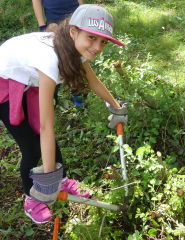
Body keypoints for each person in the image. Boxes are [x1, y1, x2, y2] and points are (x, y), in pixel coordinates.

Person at [0, 4, 127, 224]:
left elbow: (92, 81)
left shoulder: (75, 47)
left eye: (103, 41)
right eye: (92, 38)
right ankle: (32, 197)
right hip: (5, 83)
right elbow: (48, 126)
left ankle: (60, 179)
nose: (97, 47)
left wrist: (116, 106)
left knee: (43, 135)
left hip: (28, 79)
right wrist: (46, 178)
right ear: (73, 32)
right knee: (32, 145)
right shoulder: (49, 59)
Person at [32, 0, 85, 106]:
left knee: (76, 54)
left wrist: (82, 11)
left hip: (75, 16)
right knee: (56, 57)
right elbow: (36, 1)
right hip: (53, 20)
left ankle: (76, 91)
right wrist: (42, 26)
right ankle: (52, 95)